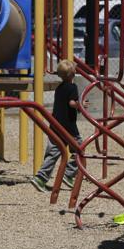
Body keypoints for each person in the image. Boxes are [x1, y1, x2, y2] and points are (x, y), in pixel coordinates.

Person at [30, 60, 82, 192]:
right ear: (73, 74)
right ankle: (69, 174)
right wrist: (79, 105)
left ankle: (40, 178)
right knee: (80, 149)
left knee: (53, 152)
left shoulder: (59, 88)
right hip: (69, 127)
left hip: (55, 124)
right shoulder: (73, 87)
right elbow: (71, 103)